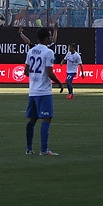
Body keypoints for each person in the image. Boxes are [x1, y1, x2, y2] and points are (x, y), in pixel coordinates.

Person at [25, 27, 64, 155]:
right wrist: (59, 82)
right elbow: (49, 71)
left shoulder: (31, 51)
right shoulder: (48, 52)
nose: (51, 38)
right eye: (50, 36)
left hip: (32, 91)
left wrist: (34, 78)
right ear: (46, 38)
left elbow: (26, 71)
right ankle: (44, 150)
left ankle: (29, 148)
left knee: (32, 120)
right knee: (46, 119)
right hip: (43, 91)